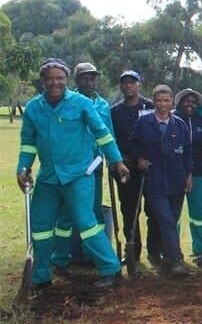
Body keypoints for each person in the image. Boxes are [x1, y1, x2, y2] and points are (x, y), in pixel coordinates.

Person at [17, 58, 129, 288]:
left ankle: (110, 269)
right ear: (43, 81)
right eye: (50, 79)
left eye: (59, 78)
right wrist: (23, 167)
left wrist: (116, 161)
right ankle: (40, 275)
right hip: (48, 179)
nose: (55, 83)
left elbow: (102, 134)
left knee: (86, 223)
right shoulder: (33, 109)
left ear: (66, 80)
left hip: (79, 176)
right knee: (41, 228)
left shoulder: (81, 103)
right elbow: (28, 144)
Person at [52, 62, 114, 270]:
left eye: (93, 78)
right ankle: (65, 254)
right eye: (85, 78)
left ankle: (91, 254)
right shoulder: (68, 102)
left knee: (94, 210)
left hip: (94, 166)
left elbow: (108, 134)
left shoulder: (104, 105)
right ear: (76, 81)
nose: (90, 82)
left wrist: (114, 160)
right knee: (67, 211)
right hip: (70, 166)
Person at [130, 85, 192, 277]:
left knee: (171, 220)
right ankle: (176, 260)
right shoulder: (143, 122)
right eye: (159, 100)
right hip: (154, 180)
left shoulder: (180, 124)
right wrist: (139, 159)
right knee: (165, 220)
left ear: (172, 101)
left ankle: (164, 260)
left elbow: (188, 152)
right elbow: (133, 144)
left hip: (177, 180)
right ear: (153, 101)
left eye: (167, 100)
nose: (163, 104)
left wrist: (189, 175)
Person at [110, 70, 160, 267]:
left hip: (149, 168)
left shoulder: (151, 106)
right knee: (130, 212)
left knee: (154, 210)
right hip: (126, 169)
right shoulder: (114, 112)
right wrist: (118, 160)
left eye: (132, 82)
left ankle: (155, 253)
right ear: (121, 86)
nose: (129, 86)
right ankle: (133, 252)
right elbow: (110, 138)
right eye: (125, 83)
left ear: (139, 84)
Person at [173, 88, 202, 268]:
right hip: (174, 173)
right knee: (173, 215)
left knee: (199, 215)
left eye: (194, 101)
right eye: (186, 101)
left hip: (200, 174)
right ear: (179, 102)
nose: (190, 104)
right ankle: (172, 250)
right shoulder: (172, 118)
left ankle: (201, 249)